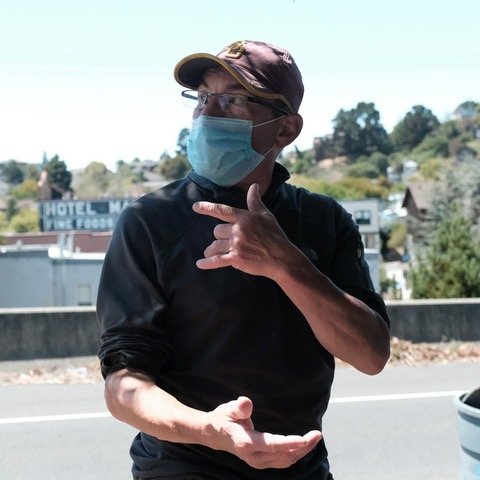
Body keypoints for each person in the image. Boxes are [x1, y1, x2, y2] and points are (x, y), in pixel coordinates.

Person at [97, 39, 390, 480]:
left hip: (301, 466)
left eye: (232, 100)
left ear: (285, 129)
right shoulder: (149, 221)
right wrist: (210, 430)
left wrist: (286, 264)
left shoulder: (324, 221)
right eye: (201, 98)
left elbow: (371, 355)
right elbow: (123, 386)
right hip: (181, 467)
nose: (208, 114)